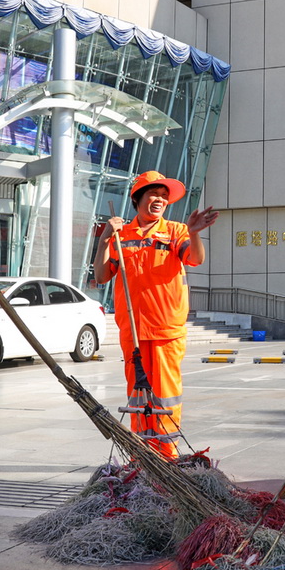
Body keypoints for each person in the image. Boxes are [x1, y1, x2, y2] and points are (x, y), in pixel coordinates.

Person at [93, 171, 218, 458]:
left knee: (165, 397)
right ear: (138, 198)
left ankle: (167, 455)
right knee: (138, 397)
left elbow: (195, 258)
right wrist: (103, 240)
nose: (160, 199)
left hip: (166, 331)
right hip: (133, 332)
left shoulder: (175, 231)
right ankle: (142, 457)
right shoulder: (121, 235)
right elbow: (101, 276)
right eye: (154, 194)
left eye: (164, 196)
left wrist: (195, 232)